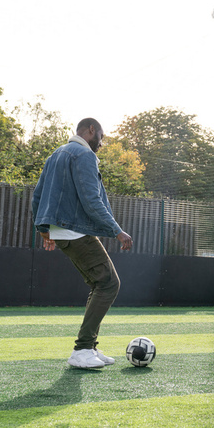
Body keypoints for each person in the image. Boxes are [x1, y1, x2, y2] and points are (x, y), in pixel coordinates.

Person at [32, 118, 133, 369]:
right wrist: (117, 231)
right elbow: (92, 200)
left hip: (62, 230)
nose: (102, 142)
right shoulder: (84, 155)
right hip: (75, 230)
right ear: (91, 130)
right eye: (101, 135)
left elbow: (37, 195)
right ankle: (82, 349)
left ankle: (90, 347)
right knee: (109, 283)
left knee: (100, 283)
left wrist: (44, 230)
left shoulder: (55, 154)